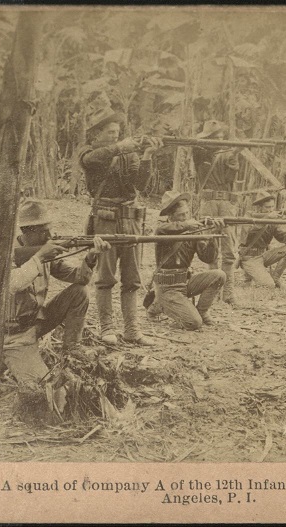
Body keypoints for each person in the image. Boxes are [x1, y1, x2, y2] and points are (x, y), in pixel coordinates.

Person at [76, 98, 161, 346]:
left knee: (132, 279)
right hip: (105, 218)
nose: (115, 136)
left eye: (117, 132)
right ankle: (107, 327)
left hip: (130, 218)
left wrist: (146, 156)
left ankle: (132, 330)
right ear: (97, 134)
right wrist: (121, 146)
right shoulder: (89, 152)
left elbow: (140, 185)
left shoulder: (127, 153)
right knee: (105, 277)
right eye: (110, 132)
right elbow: (90, 161)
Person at [5, 200, 107, 391]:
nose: (50, 236)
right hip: (14, 335)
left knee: (79, 292)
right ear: (28, 231)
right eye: (44, 232)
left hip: (36, 322)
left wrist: (91, 256)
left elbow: (79, 278)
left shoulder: (44, 251)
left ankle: (72, 349)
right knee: (43, 388)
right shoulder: (8, 254)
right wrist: (39, 257)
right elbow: (13, 284)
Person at [144, 191, 226, 330]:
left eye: (187, 213)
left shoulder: (193, 229)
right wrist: (187, 225)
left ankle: (201, 311)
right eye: (181, 215)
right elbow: (160, 229)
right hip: (167, 288)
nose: (186, 217)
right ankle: (158, 304)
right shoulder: (164, 230)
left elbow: (207, 258)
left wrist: (214, 235)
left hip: (185, 282)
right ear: (170, 216)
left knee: (219, 275)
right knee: (193, 323)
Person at [191, 119, 241, 305]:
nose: (220, 140)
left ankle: (229, 294)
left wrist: (234, 156)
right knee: (211, 249)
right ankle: (213, 290)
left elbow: (229, 178)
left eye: (222, 137)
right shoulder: (201, 153)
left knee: (229, 250)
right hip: (209, 203)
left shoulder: (227, 156)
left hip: (226, 203)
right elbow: (199, 151)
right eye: (215, 137)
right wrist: (218, 149)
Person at [239, 190, 286, 288]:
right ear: (259, 207)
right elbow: (249, 232)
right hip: (250, 258)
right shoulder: (249, 216)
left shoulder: (272, 220)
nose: (270, 210)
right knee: (268, 285)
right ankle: (249, 274)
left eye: (272, 207)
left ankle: (275, 278)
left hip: (265, 255)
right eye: (267, 207)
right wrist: (266, 218)